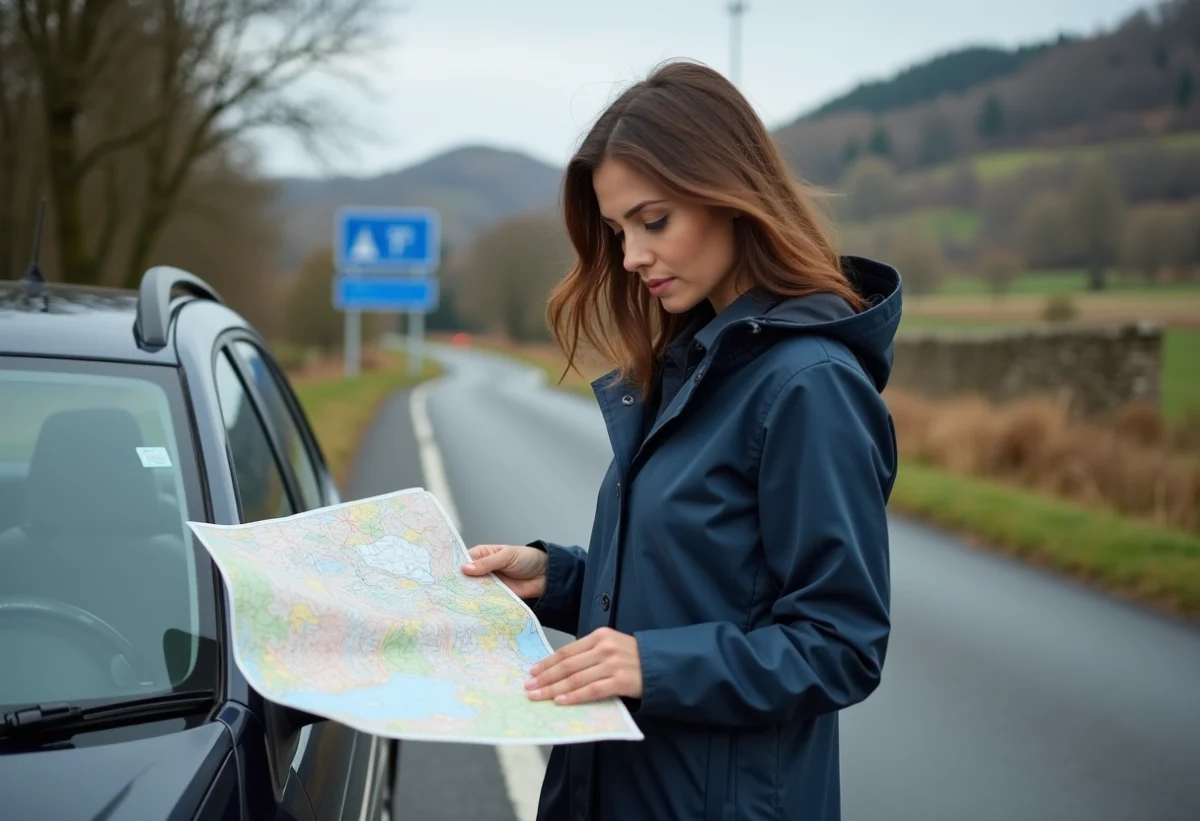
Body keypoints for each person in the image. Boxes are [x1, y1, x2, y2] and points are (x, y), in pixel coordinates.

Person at [462, 59, 901, 821]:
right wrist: (558, 577)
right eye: (618, 230)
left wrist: (650, 664)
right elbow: (708, 574)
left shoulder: (808, 383)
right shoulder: (693, 360)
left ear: (729, 195)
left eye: (653, 220)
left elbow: (840, 643)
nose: (631, 256)